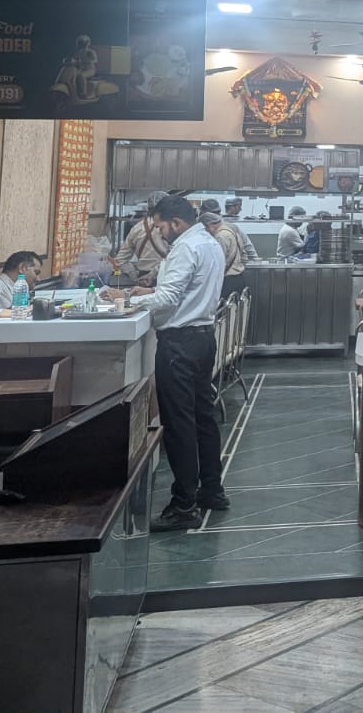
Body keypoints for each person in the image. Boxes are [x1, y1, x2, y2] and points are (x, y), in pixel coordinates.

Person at [115, 195, 228, 531]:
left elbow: (168, 298)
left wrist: (127, 298)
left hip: (179, 343)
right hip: (203, 338)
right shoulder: (209, 243)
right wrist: (147, 292)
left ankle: (183, 505)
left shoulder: (185, 247)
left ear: (176, 223)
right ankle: (212, 490)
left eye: (161, 226)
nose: (160, 232)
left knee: (179, 423)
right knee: (203, 417)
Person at [112, 191, 171, 283]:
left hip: (142, 278)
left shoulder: (137, 228)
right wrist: (154, 273)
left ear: (148, 208)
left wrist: (133, 275)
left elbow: (120, 260)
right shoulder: (172, 228)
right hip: (167, 276)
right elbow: (174, 258)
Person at [200, 200, 248, 297]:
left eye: (206, 229)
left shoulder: (220, 237)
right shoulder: (232, 230)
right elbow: (244, 256)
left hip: (227, 281)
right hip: (239, 278)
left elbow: (219, 263)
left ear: (209, 225)